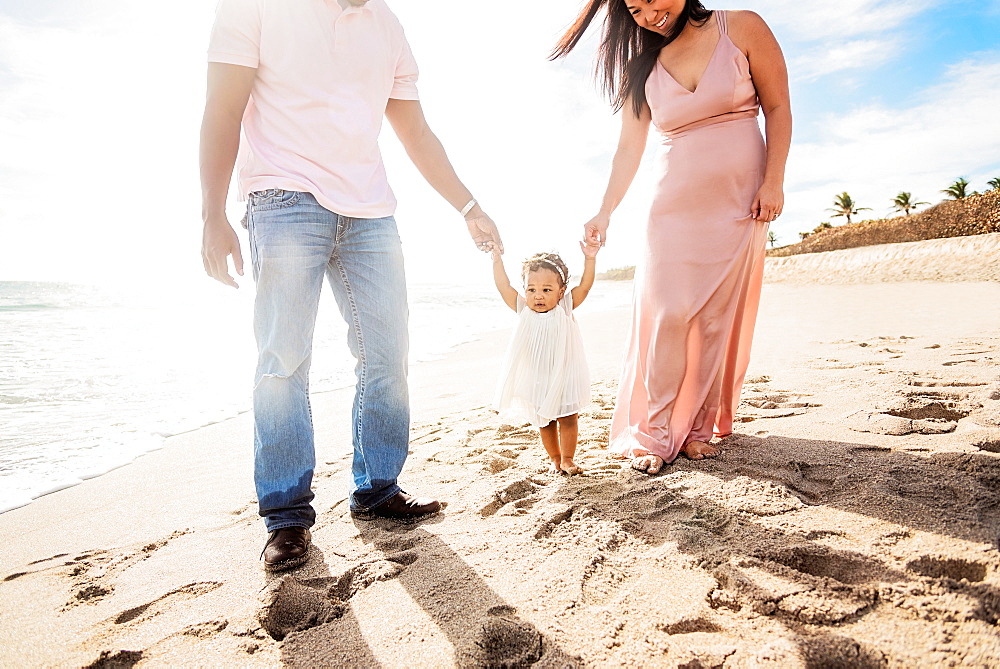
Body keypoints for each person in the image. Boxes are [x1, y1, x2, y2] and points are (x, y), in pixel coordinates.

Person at [200, 0, 503, 571]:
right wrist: (212, 213)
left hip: (371, 215)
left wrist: (468, 205)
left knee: (387, 355)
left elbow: (414, 129)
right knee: (283, 361)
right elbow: (223, 107)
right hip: (281, 200)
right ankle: (287, 518)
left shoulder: (387, 25)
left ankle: (377, 488)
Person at [552, 1, 791, 474]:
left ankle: (696, 431)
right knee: (668, 315)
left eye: (651, 0)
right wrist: (604, 209)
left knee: (714, 320)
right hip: (671, 208)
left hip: (738, 200)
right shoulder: (642, 65)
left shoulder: (741, 27)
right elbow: (628, 148)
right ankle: (657, 429)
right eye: (634, 9)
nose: (648, 15)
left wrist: (774, 181)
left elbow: (778, 105)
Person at [491, 247, 597, 475]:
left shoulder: (565, 307)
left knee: (568, 418)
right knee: (545, 421)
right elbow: (503, 287)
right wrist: (497, 260)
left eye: (546, 289)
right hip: (537, 379)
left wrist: (590, 258)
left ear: (561, 292)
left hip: (565, 375)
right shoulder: (523, 310)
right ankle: (555, 459)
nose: (538, 296)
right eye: (531, 289)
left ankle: (568, 459)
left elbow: (585, 286)